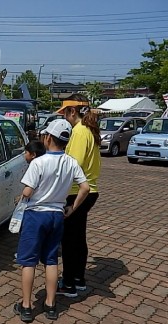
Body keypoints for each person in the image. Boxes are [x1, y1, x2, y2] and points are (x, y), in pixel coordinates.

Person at [14, 119, 90, 322]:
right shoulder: (71, 162)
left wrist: (23, 195)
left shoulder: (38, 162)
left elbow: (28, 191)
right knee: (50, 260)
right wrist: (71, 209)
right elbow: (85, 188)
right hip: (57, 215)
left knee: (28, 261)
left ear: (47, 138)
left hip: (35, 215)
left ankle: (27, 305)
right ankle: (50, 304)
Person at [55, 94, 101, 298]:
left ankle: (68, 284)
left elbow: (73, 165)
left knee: (70, 241)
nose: (64, 117)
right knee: (78, 238)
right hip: (87, 191)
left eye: (64, 113)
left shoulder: (80, 132)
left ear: (72, 111)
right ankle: (78, 279)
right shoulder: (88, 130)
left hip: (78, 193)